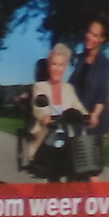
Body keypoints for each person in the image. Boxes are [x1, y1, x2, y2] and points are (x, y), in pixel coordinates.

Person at [27, 40, 87, 179]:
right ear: (49, 66)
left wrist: (87, 117)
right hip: (46, 141)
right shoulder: (40, 86)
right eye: (54, 64)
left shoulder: (68, 89)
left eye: (61, 65)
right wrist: (44, 117)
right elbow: (39, 107)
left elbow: (78, 106)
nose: (57, 69)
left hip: (67, 141)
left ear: (65, 68)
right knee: (54, 175)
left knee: (79, 170)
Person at [72, 18, 109, 145]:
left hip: (95, 121)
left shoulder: (103, 63)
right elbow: (71, 87)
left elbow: (102, 94)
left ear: (101, 40)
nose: (89, 37)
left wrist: (95, 115)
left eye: (95, 35)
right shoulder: (80, 59)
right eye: (89, 32)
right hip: (78, 117)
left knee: (88, 159)